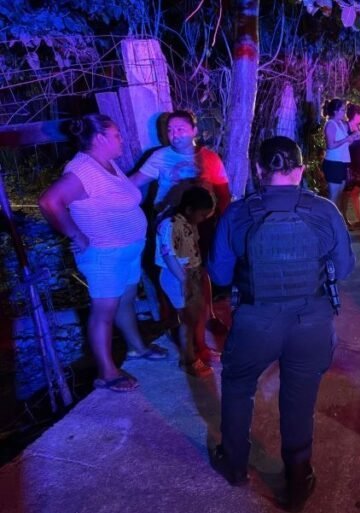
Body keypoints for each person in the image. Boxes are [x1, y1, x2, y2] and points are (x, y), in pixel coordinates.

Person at [208, 137, 355, 510]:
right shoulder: (324, 211)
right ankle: (297, 477)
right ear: (301, 170)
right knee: (298, 397)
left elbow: (220, 273)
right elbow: (346, 269)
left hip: (256, 321)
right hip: (312, 323)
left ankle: (235, 464)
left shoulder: (238, 213)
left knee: (239, 386)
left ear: (259, 171)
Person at [38, 115, 166, 393]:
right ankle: (106, 373)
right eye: (117, 135)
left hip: (127, 250)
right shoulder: (82, 170)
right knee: (104, 312)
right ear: (99, 139)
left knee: (126, 302)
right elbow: (50, 201)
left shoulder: (106, 164)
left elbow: (120, 194)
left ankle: (137, 347)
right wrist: (75, 235)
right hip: (104, 255)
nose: (121, 139)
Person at [132, 110, 231, 359]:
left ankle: (207, 317)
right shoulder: (160, 157)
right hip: (171, 225)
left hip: (203, 225)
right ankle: (183, 327)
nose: (174, 134)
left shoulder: (209, 158)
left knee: (202, 271)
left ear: (194, 131)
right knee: (178, 276)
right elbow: (134, 182)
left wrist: (225, 221)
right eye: (170, 130)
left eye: (180, 129)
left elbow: (223, 193)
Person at [156, 186, 215, 377]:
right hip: (177, 276)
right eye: (202, 215)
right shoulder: (170, 224)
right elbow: (168, 255)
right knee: (187, 320)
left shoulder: (187, 222)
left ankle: (199, 349)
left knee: (196, 313)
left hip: (190, 273)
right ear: (189, 209)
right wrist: (184, 280)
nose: (204, 218)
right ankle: (188, 360)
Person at [319, 98, 359, 209]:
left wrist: (352, 138)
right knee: (333, 196)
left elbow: (345, 143)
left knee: (338, 194)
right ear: (335, 111)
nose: (344, 112)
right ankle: (329, 222)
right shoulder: (330, 124)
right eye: (342, 110)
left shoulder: (341, 124)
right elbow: (330, 145)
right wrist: (347, 139)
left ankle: (334, 221)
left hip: (342, 162)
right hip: (333, 163)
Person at [340, 103, 360, 226]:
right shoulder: (345, 127)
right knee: (347, 192)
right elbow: (343, 145)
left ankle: (359, 217)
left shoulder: (359, 127)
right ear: (355, 114)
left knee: (357, 190)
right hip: (349, 163)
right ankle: (344, 218)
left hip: (359, 162)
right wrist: (352, 137)